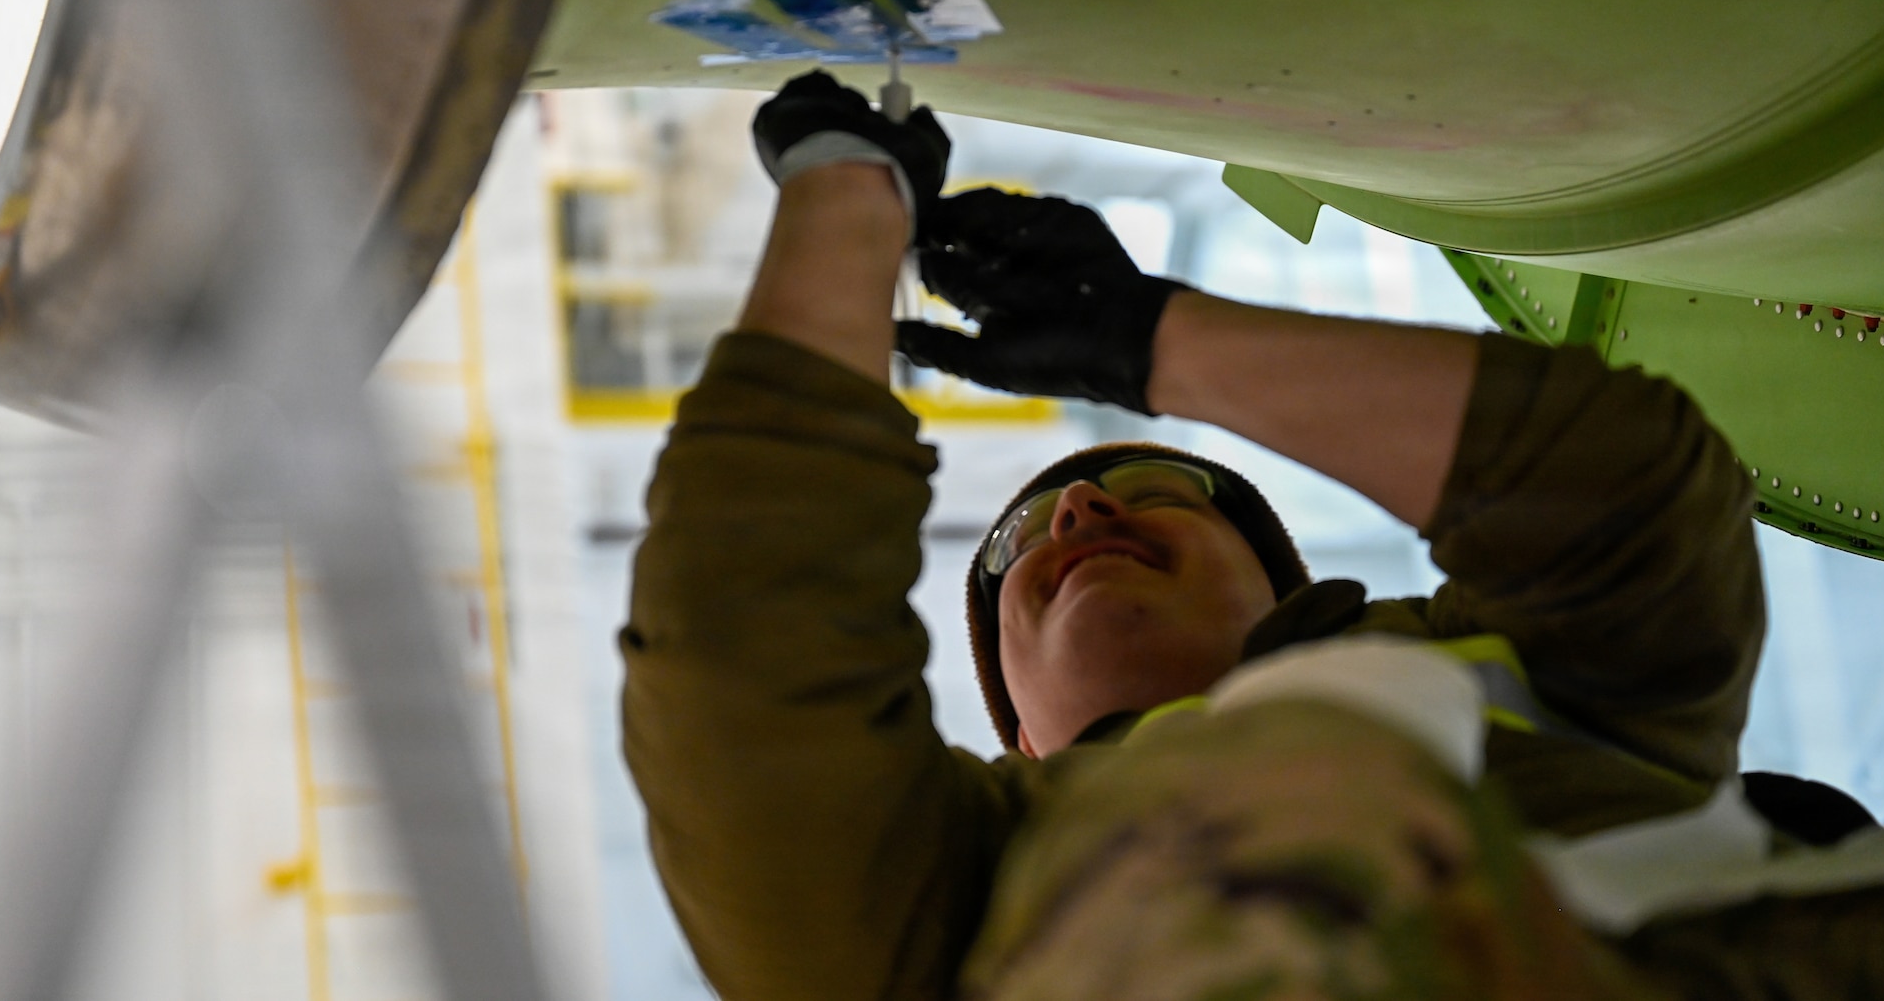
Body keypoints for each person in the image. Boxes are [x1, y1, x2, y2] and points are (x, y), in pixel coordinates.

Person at [619, 71, 1772, 999]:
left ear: (1283, 588)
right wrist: (874, 229)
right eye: (1019, 533)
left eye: (1155, 487)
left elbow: (1627, 491)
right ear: (1014, 732)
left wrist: (1141, 340)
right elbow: (745, 680)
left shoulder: (1524, 682)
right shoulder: (934, 889)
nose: (1075, 510)